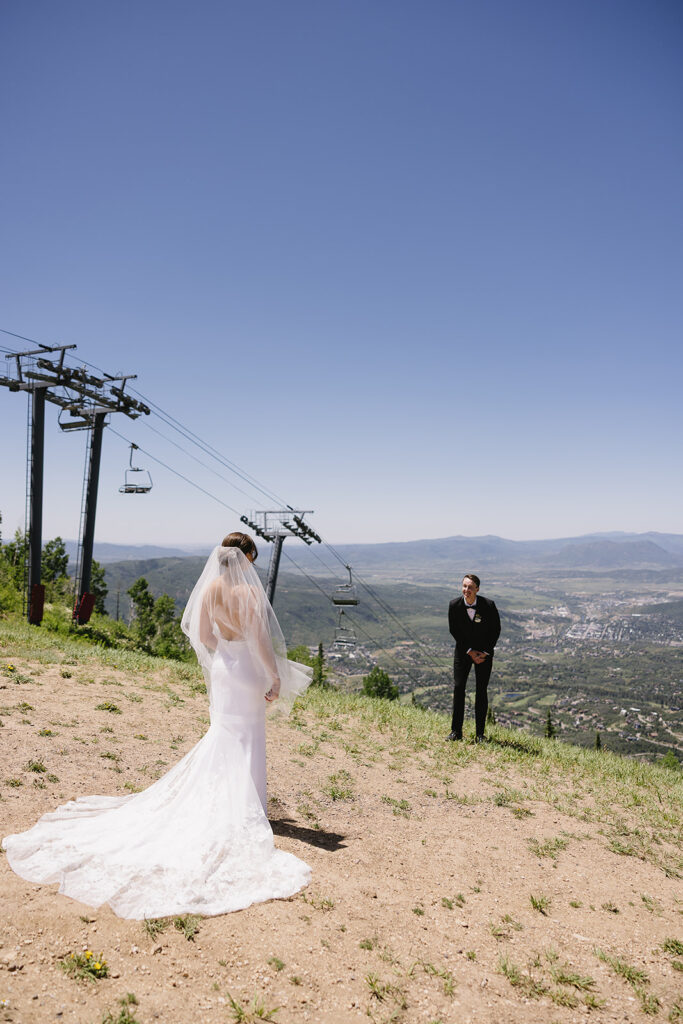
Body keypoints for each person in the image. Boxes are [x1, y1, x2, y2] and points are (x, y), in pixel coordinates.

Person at [2, 531, 313, 919]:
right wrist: (274, 676)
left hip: (224, 670)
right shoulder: (249, 595)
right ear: (245, 557)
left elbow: (201, 636)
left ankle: (229, 803)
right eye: (252, 557)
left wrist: (226, 654)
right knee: (248, 737)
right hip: (248, 670)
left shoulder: (212, 589)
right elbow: (261, 639)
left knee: (225, 734)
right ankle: (248, 808)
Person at [447, 573, 501, 743]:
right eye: (464, 586)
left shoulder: (489, 605)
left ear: (477, 589)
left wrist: (485, 652)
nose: (466, 590)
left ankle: (480, 734)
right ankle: (456, 731)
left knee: (481, 691)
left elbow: (495, 630)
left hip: (484, 654)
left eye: (470, 587)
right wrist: (470, 651)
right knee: (458, 688)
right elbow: (454, 631)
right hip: (463, 653)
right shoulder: (454, 605)